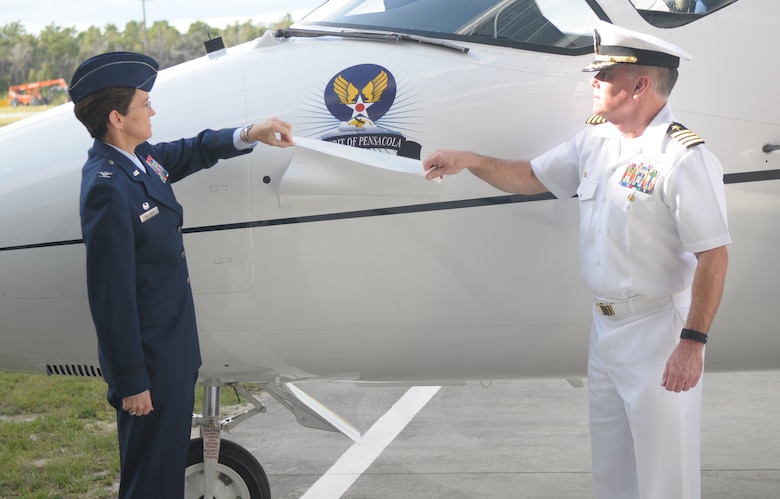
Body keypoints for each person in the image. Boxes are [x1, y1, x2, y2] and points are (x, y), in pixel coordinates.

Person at [423, 21, 729, 499]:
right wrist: (471, 160)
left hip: (657, 330)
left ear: (640, 85)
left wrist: (692, 343)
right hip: (605, 326)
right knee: (612, 468)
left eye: (603, 74)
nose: (593, 81)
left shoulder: (682, 158)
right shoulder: (597, 140)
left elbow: (713, 254)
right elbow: (531, 176)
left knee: (665, 475)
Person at [69, 51, 294, 498]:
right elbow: (110, 297)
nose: (153, 111)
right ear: (117, 117)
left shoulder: (137, 159)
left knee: (163, 473)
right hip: (149, 367)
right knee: (150, 482)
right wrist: (132, 380)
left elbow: (190, 151)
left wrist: (251, 133)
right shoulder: (106, 188)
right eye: (144, 104)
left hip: (170, 354)